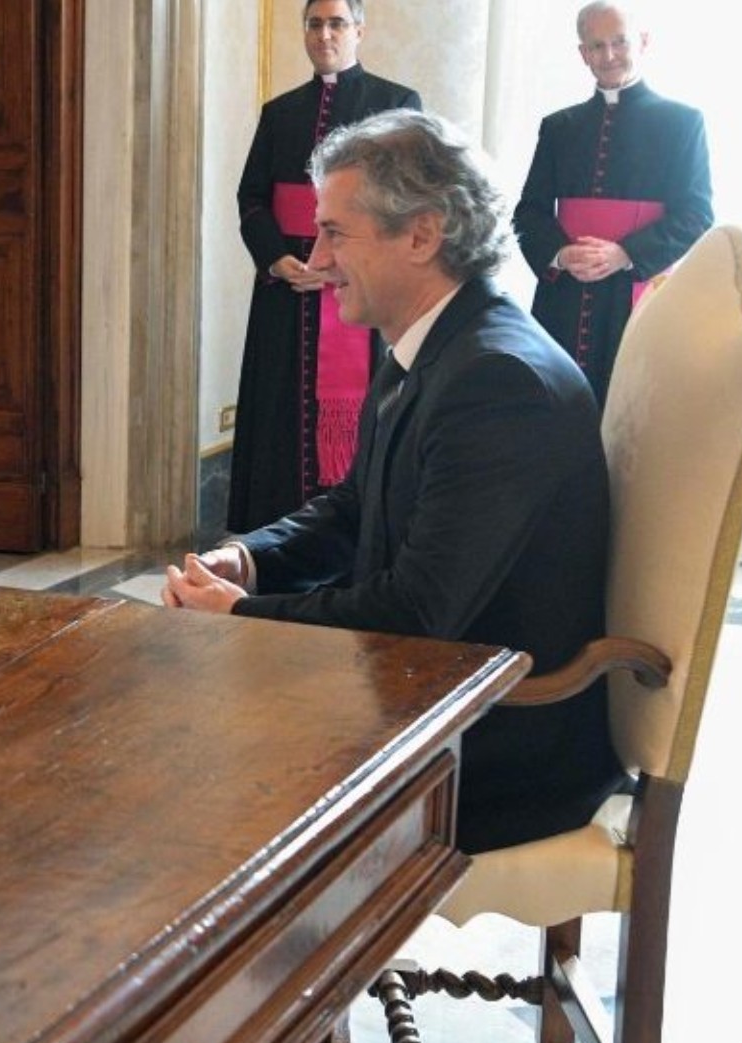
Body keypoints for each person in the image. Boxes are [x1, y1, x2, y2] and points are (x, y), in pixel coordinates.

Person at [162, 110, 625, 855]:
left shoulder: (495, 380)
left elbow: (418, 611)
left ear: (421, 233)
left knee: (182, 758)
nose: (315, 254)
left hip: (493, 741)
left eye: (336, 233)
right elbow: (355, 507)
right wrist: (250, 557)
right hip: (428, 691)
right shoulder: (443, 341)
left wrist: (243, 616)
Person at [227, 0, 422, 534]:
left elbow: (407, 202)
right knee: (278, 411)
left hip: (358, 288)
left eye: (337, 23)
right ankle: (272, 528)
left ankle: (357, 529)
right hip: (285, 288)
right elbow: (251, 199)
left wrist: (338, 263)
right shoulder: (279, 111)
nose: (325, 34)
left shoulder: (397, 105)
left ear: (359, 30)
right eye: (315, 23)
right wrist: (276, 259)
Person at [513, 1, 712, 408]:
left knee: (631, 416)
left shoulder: (682, 122)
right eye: (596, 46)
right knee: (552, 413)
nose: (608, 56)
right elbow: (529, 211)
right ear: (583, 53)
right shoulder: (559, 127)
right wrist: (562, 254)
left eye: (619, 42)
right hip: (564, 297)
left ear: (642, 41)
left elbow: (696, 214)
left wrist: (625, 254)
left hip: (638, 288)